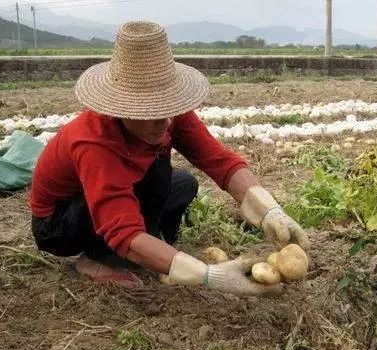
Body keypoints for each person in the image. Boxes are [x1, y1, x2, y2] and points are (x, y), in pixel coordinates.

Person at [29, 21, 309, 296]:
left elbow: (218, 160)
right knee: (131, 228)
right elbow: (123, 230)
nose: (164, 122)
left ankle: (151, 249)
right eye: (151, 112)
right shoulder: (93, 142)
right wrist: (209, 276)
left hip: (115, 192)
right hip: (61, 221)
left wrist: (269, 210)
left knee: (183, 183)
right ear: (123, 108)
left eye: (168, 107)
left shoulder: (170, 116)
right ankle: (97, 258)